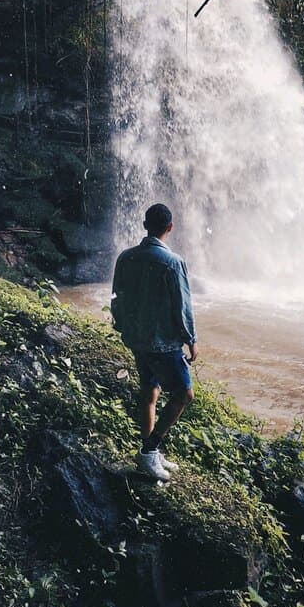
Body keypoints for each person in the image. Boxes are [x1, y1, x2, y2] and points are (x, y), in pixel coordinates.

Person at [111, 203, 197, 481]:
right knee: (184, 394)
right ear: (170, 228)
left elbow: (117, 297)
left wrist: (122, 325)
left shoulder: (125, 257)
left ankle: (151, 454)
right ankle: (149, 451)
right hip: (163, 344)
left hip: (137, 339)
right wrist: (191, 339)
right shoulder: (174, 262)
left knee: (151, 392)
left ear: (144, 225)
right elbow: (182, 305)